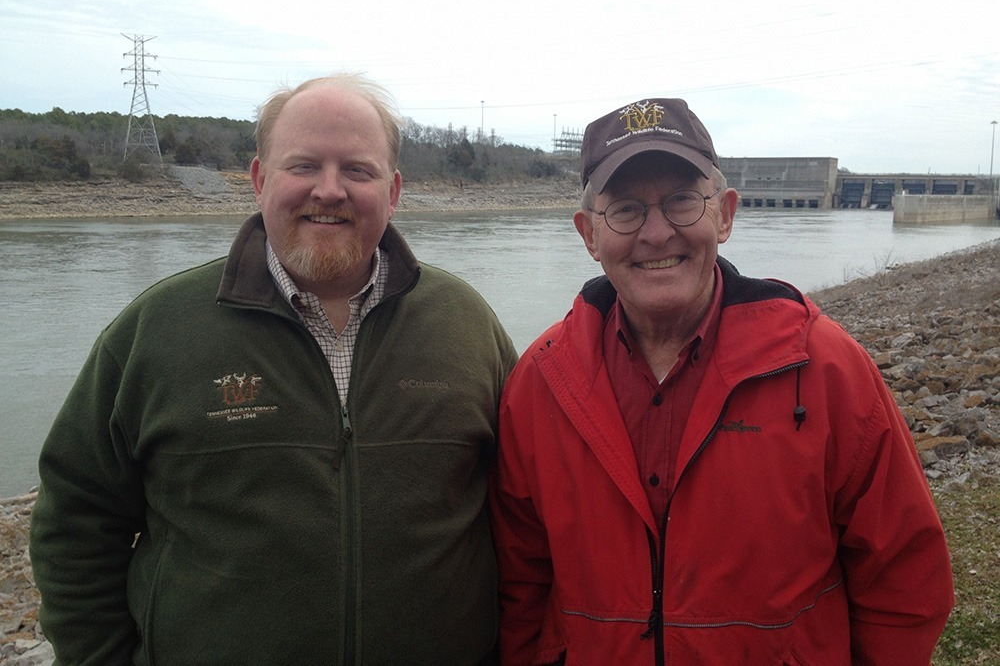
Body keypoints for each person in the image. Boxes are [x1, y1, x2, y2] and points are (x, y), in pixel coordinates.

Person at [29, 74, 518, 665]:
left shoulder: (464, 324)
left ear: (393, 191)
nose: (329, 191)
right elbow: (77, 520)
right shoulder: (158, 330)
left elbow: (522, 513)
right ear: (260, 180)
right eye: (304, 166)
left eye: (357, 171)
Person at [489, 98, 954, 665]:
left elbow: (902, 578)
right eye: (627, 209)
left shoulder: (825, 368)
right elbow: (521, 587)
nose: (658, 234)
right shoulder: (540, 384)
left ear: (725, 214)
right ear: (589, 235)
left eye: (682, 201)